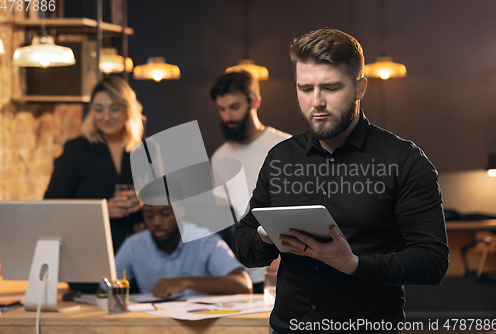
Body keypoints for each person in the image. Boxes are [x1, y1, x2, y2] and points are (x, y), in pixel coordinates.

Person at [233, 29, 449, 333]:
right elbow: (244, 245)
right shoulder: (281, 158)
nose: (316, 102)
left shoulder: (404, 161)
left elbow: (432, 262)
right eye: (305, 88)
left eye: (331, 88)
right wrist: (267, 236)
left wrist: (356, 265)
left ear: (360, 88)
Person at [45, 76, 145, 255]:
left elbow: (165, 204)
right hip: (89, 252)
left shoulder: (145, 151)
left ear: (127, 110)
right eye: (99, 109)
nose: (106, 117)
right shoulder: (76, 150)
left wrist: (143, 204)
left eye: (114, 109)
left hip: (134, 255)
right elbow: (52, 206)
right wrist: (102, 210)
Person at [210, 70, 291, 293]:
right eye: (222, 109)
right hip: (241, 271)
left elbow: (298, 209)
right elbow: (224, 221)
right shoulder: (219, 157)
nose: (228, 117)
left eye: (234, 107)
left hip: (283, 267)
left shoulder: (285, 147)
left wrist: (285, 256)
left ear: (254, 101)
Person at [113, 199, 253, 297]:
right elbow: (106, 287)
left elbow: (243, 285)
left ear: (180, 211)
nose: (157, 222)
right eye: (149, 216)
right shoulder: (133, 244)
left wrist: (186, 282)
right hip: (151, 324)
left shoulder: (205, 241)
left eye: (165, 214)